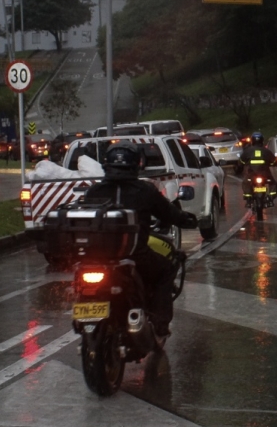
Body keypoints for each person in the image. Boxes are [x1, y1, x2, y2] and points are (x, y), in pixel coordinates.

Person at [84, 142, 197, 339]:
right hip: (136, 256)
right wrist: (185, 219)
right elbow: (168, 213)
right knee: (168, 268)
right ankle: (161, 325)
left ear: (106, 164)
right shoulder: (145, 191)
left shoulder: (94, 192)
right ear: (138, 164)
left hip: (95, 259)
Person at [239, 131, 277, 195]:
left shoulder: (247, 151)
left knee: (246, 182)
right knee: (272, 182)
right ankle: (271, 196)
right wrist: (274, 164)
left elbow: (241, 161)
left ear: (252, 140)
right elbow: (274, 161)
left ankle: (248, 197)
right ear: (262, 140)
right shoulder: (266, 151)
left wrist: (241, 165)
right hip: (265, 173)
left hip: (251, 173)